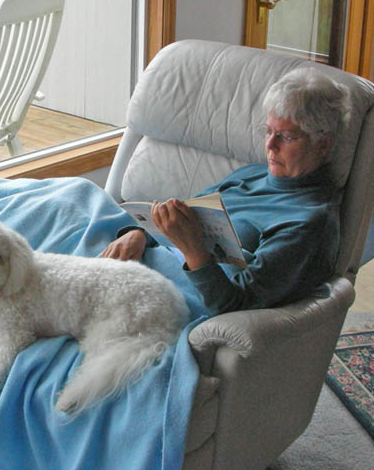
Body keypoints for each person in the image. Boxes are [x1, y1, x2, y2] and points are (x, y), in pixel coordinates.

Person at [101, 66, 351, 315]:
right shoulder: (251, 174)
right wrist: (138, 234)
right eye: (268, 131)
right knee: (81, 194)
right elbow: (178, 218)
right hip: (131, 256)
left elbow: (235, 304)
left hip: (165, 291)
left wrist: (194, 250)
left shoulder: (307, 221)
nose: (270, 145)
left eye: (286, 137)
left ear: (323, 144)